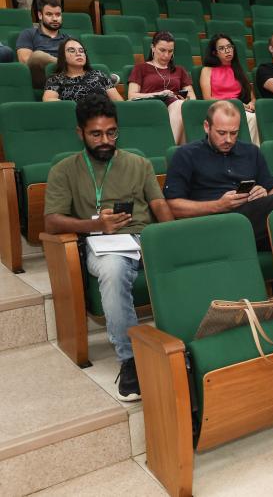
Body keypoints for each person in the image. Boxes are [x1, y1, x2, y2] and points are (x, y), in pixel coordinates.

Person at [43, 94, 174, 402]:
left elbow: (159, 205)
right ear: (80, 133)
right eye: (96, 134)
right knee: (114, 271)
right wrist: (96, 226)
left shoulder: (139, 163)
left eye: (111, 132)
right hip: (104, 243)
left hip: (145, 237)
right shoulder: (64, 170)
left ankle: (189, 346)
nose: (105, 140)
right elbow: (51, 222)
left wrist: (171, 237)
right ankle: (131, 361)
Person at [163, 101, 273, 251]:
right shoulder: (186, 155)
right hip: (214, 225)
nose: (228, 139)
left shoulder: (251, 152)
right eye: (221, 133)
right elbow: (173, 206)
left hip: (252, 221)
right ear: (206, 127)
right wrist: (218, 205)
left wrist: (266, 194)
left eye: (234, 133)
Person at [127, 31, 195, 144]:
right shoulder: (141, 68)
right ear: (153, 48)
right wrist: (159, 94)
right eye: (162, 50)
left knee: (182, 106)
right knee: (181, 110)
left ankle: (172, 151)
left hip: (177, 107)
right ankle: (171, 149)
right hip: (151, 107)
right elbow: (132, 95)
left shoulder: (180, 70)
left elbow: (192, 96)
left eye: (170, 51)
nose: (166, 55)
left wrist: (186, 100)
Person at [200, 33, 259, 144]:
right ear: (215, 53)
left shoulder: (239, 70)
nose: (227, 51)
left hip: (242, 109)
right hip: (219, 108)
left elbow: (252, 98)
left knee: (255, 116)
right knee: (251, 118)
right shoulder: (207, 70)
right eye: (222, 48)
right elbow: (207, 98)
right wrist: (234, 104)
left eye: (229, 47)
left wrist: (252, 104)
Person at [43, 38, 123, 103]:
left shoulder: (99, 75)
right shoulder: (56, 79)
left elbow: (118, 102)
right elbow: (48, 100)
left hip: (103, 117)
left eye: (81, 51)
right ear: (63, 56)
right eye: (72, 50)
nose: (78, 53)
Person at [16, 0, 68, 89]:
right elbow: (25, 61)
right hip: (42, 77)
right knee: (38, 56)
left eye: (58, 15)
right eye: (49, 14)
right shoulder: (28, 33)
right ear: (40, 15)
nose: (55, 19)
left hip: (66, 77)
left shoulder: (68, 38)